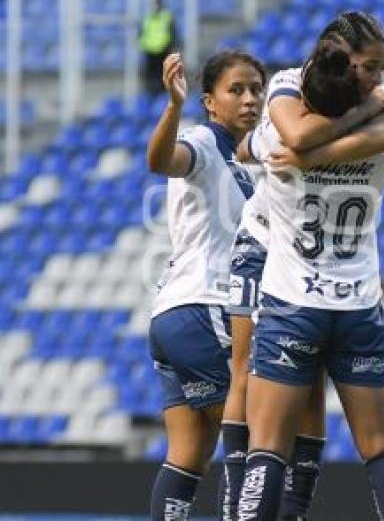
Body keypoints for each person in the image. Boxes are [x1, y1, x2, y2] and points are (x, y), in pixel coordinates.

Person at [236, 11, 384, 521]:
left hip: (293, 302)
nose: (377, 79)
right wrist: (364, 115)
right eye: (371, 68)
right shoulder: (380, 129)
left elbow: (250, 146)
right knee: (381, 445)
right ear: (344, 62)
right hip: (358, 304)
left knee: (267, 447)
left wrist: (312, 156)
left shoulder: (280, 133)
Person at [146, 49, 265, 520]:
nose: (250, 98)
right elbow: (161, 160)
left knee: (187, 455)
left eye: (256, 88)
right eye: (236, 89)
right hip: (204, 307)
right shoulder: (202, 142)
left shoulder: (244, 164)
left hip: (171, 314)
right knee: (255, 439)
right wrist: (174, 108)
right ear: (210, 102)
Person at [140, 0, 180, 94]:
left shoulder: (167, 17)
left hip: (163, 50)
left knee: (163, 75)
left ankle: (162, 94)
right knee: (150, 76)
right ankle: (151, 93)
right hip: (150, 51)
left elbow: (173, 33)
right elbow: (141, 34)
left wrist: (171, 46)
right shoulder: (147, 18)